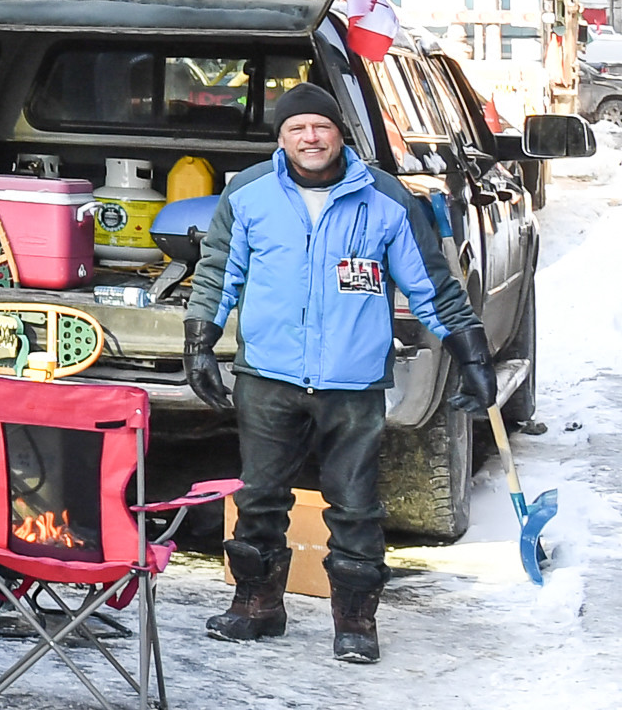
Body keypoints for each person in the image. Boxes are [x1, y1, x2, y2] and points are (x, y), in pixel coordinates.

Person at [185, 81, 496, 664]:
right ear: (280, 138)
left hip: (352, 383)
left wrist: (472, 355)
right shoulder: (249, 194)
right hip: (268, 375)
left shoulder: (385, 199)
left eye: (320, 126)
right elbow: (217, 271)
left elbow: (432, 286)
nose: (310, 137)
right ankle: (256, 606)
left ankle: (355, 622)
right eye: (297, 128)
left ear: (339, 133)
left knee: (356, 506)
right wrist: (200, 341)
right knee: (259, 498)